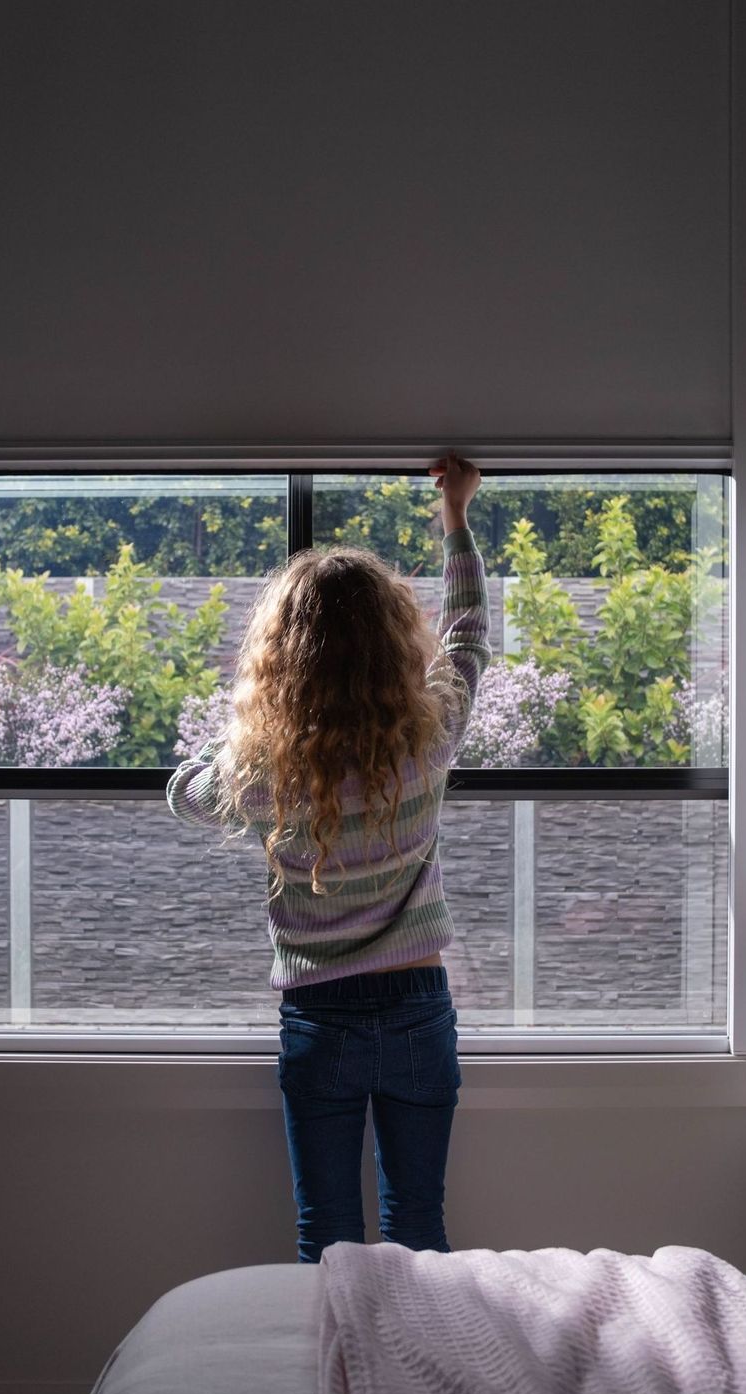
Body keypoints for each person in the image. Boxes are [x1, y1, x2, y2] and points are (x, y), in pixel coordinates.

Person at [167, 450, 490, 1262]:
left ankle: (336, 1384)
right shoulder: (429, 739)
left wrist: (250, 732)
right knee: (419, 1227)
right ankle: (421, 1380)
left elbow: (184, 793)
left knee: (328, 1238)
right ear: (391, 646)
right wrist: (455, 517)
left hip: (320, 1020)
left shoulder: (268, 775)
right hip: (420, 1010)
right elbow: (469, 635)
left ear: (284, 663)